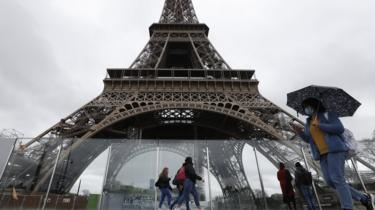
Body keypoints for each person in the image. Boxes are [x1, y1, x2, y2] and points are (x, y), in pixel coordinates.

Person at [291, 97, 374, 210]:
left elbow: (339, 128)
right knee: (330, 181)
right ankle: (364, 199)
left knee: (337, 178)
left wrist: (320, 125)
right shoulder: (308, 122)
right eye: (304, 107)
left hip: (335, 149)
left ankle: (348, 207)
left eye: (307, 106)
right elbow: (308, 139)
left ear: (314, 105)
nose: (306, 109)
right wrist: (299, 132)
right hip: (321, 154)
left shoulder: (328, 115)